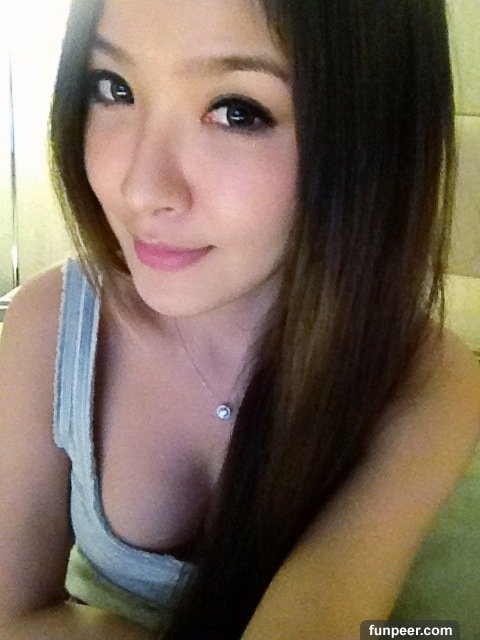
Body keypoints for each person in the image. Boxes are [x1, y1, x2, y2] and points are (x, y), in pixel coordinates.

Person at [0, 0, 479, 638]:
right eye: (114, 88)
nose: (141, 189)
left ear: (372, 139)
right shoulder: (50, 327)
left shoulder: (421, 381)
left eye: (236, 111)